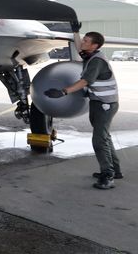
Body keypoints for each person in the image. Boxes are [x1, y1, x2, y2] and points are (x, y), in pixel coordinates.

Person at [45, 30, 121, 189]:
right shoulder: (90, 54)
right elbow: (79, 47)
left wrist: (63, 92)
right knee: (104, 137)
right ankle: (115, 170)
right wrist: (75, 31)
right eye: (83, 40)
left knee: (99, 140)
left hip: (105, 105)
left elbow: (85, 81)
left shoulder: (96, 61)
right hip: (98, 102)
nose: (82, 43)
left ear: (95, 45)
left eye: (86, 41)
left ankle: (108, 176)